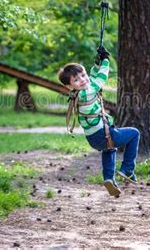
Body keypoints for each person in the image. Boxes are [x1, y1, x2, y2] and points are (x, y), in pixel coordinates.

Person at [57, 46, 140, 196]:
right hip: (104, 133)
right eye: (76, 79)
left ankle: (109, 179)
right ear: (69, 85)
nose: (82, 79)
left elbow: (93, 77)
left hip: (93, 138)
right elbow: (101, 78)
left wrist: (97, 62)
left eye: (83, 75)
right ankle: (127, 168)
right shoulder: (88, 92)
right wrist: (106, 61)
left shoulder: (75, 94)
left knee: (109, 150)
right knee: (134, 133)